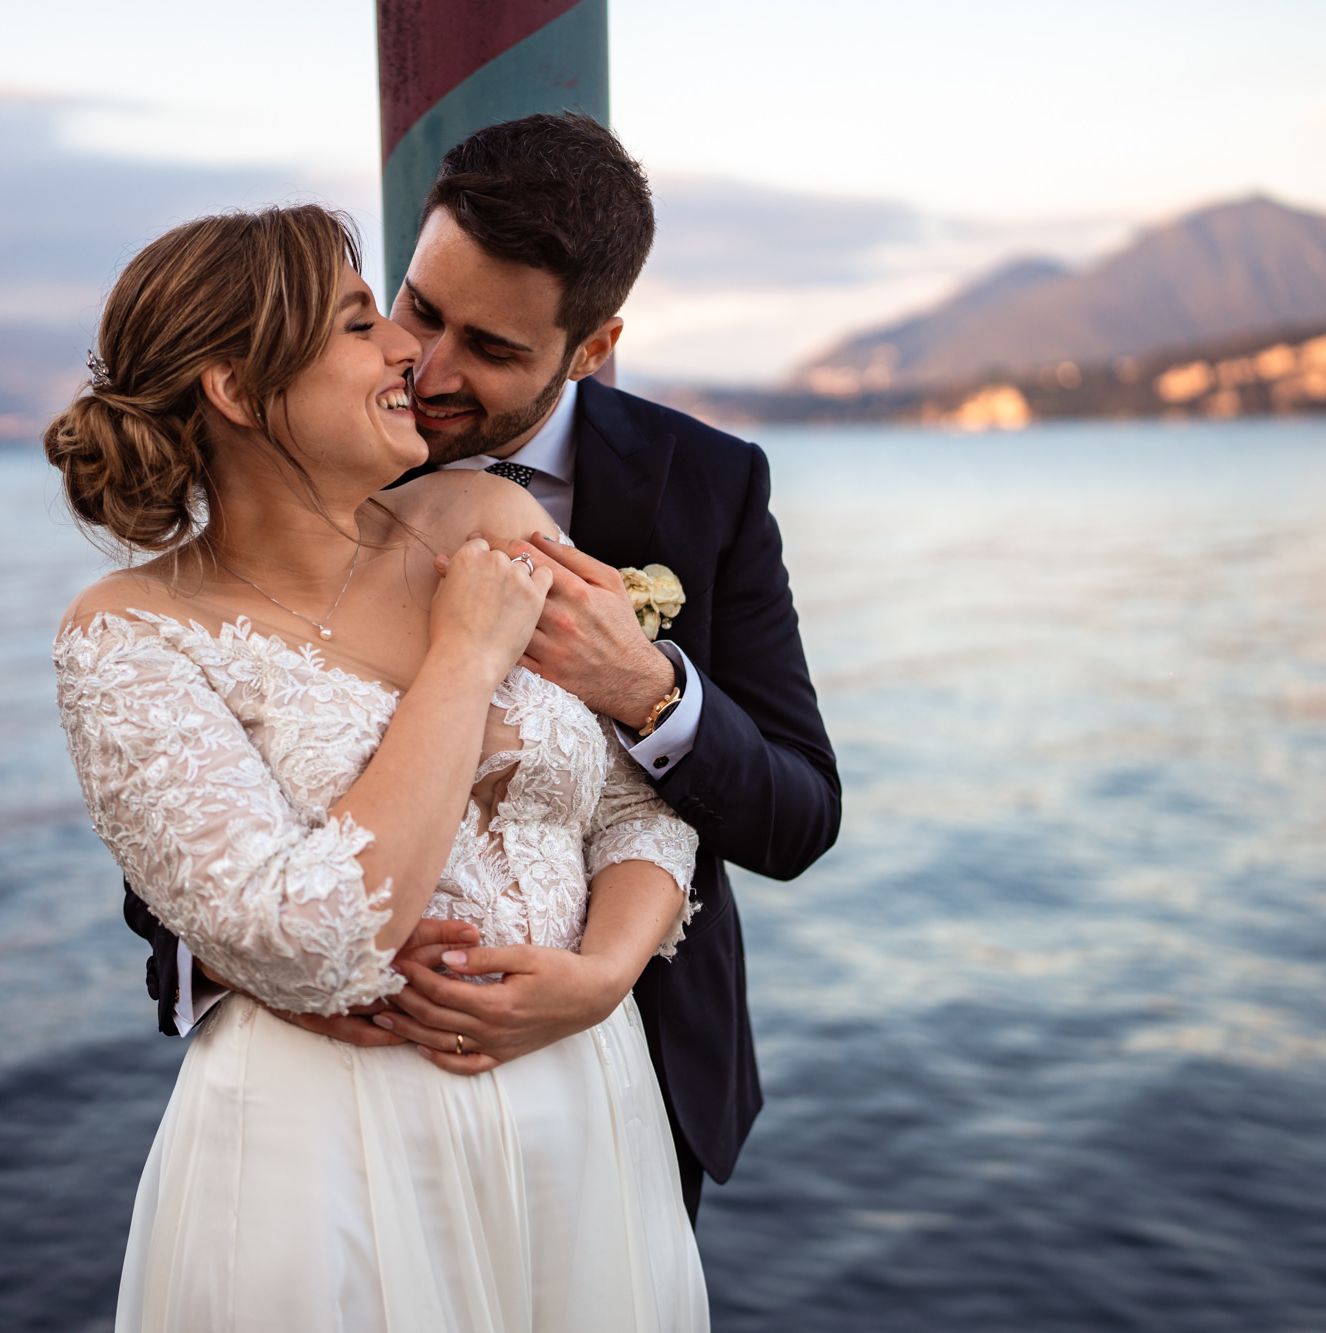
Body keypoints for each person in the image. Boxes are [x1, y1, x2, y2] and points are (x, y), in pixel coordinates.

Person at [127, 113, 842, 1223]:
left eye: (496, 350)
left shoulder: (707, 485)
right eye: (418, 308)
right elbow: (185, 813)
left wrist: (645, 691)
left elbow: (799, 814)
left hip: (631, 1078)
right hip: (339, 1117)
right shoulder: (315, 456)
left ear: (592, 346)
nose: (429, 368)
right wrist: (265, 966)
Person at [48, 203, 709, 1329]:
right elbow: (314, 937)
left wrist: (599, 975)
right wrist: (462, 658)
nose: (413, 350)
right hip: (334, 1155)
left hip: (589, 1113)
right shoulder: (128, 635)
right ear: (238, 389)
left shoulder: (486, 517)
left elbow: (638, 802)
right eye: (364, 324)